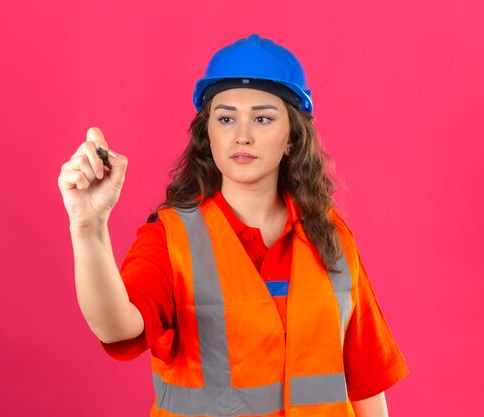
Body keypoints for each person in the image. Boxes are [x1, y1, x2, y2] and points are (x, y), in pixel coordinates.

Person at [58, 34, 408, 417]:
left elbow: (366, 384)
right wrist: (88, 226)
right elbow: (116, 327)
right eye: (226, 118)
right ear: (208, 134)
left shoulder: (331, 236)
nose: (242, 134)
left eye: (262, 118)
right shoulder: (170, 238)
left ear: (291, 137)